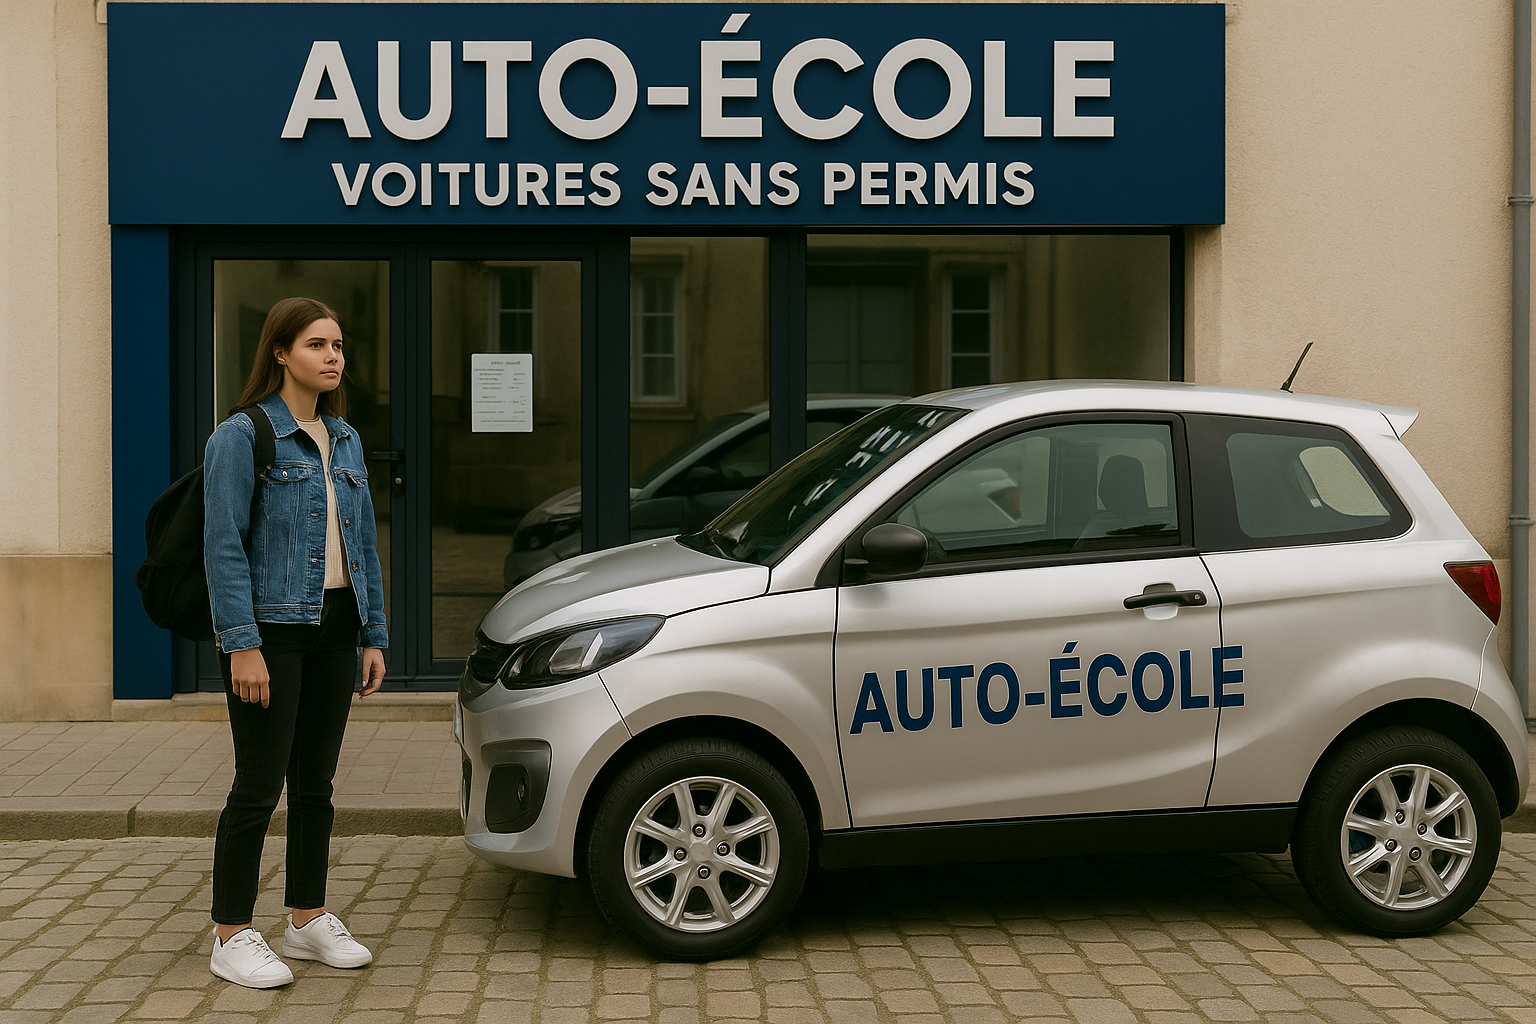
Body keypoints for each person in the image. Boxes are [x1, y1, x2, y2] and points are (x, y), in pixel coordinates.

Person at [203, 296, 388, 989]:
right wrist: (241, 644)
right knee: (257, 785)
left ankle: (307, 919)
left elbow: (363, 542)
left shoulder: (345, 438)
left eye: (338, 344)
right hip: (269, 631)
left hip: (338, 628)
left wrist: (373, 633)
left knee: (316, 784)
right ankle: (230, 932)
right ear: (280, 353)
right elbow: (222, 546)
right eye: (316, 344)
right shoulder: (243, 436)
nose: (333, 356)